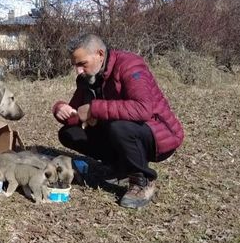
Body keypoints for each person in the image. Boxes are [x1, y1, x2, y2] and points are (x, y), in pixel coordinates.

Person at [52, 34, 184, 208]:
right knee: (69, 134)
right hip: (124, 133)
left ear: (100, 54)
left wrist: (94, 108)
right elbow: (76, 116)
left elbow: (143, 109)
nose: (78, 71)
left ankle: (142, 181)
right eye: (75, 65)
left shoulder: (130, 65)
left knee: (118, 126)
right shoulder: (87, 79)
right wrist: (61, 109)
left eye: (82, 64)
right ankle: (120, 167)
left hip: (159, 136)